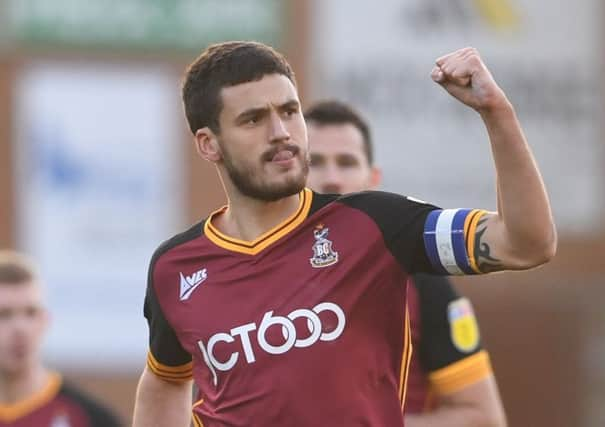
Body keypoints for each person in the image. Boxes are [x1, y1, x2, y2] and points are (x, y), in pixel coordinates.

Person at [132, 42, 556, 427]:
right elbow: (164, 381)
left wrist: (496, 113)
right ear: (209, 144)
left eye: (289, 111)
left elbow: (526, 244)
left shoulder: (376, 224)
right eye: (253, 119)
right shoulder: (175, 267)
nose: (280, 132)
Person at [305, 100, 507, 426]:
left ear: (372, 177)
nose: (331, 179)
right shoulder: (248, 276)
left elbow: (483, 418)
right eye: (314, 162)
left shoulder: (416, 277)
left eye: (346, 162)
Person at [0, 250, 122, 427]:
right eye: (4, 314)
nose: (20, 329)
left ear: (45, 320)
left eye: (31, 313)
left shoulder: (90, 418)